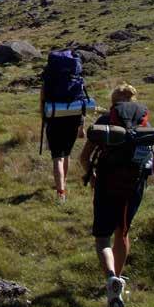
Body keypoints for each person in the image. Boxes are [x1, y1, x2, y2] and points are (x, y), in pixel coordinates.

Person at [80, 83, 154, 307]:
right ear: (134, 100)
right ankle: (119, 278)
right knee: (122, 232)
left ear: (114, 100)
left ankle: (111, 279)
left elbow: (84, 157)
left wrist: (92, 175)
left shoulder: (105, 121)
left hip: (107, 182)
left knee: (102, 237)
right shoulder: (146, 125)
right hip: (134, 186)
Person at [40, 49, 87, 202]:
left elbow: (42, 100)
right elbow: (83, 103)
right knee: (66, 154)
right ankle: (63, 183)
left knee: (57, 158)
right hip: (73, 118)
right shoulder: (76, 78)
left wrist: (44, 117)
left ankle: (61, 193)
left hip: (55, 119)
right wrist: (82, 127)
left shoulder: (49, 79)